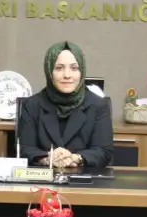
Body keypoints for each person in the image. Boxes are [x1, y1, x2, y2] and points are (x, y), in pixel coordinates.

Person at [15, 41, 114, 170]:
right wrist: (47, 159)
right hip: (43, 177)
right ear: (49, 71)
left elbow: (104, 152)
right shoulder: (32, 105)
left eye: (74, 68)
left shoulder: (99, 105)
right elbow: (25, 149)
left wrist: (75, 158)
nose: (67, 75)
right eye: (59, 68)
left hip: (84, 177)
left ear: (81, 71)